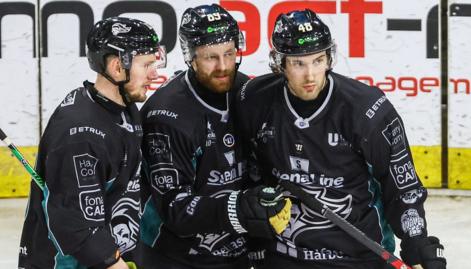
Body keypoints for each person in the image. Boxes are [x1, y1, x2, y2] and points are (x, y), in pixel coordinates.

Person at [235, 9, 447, 269]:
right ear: (280, 63)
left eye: (317, 60)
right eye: (298, 63)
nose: (310, 75)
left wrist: (416, 241)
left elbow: (401, 186)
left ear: (329, 58)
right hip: (285, 256)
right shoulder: (254, 100)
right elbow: (246, 171)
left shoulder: (367, 110)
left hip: (357, 258)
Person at [138, 4, 291, 269]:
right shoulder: (167, 115)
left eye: (229, 53)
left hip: (237, 253)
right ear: (190, 56)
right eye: (210, 57)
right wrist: (239, 208)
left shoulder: (249, 93)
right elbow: (175, 209)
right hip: (174, 257)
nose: (223, 67)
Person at [18, 17, 166, 269]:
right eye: (147, 65)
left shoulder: (121, 107)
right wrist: (114, 262)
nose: (154, 73)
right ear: (118, 67)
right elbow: (77, 227)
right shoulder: (81, 136)